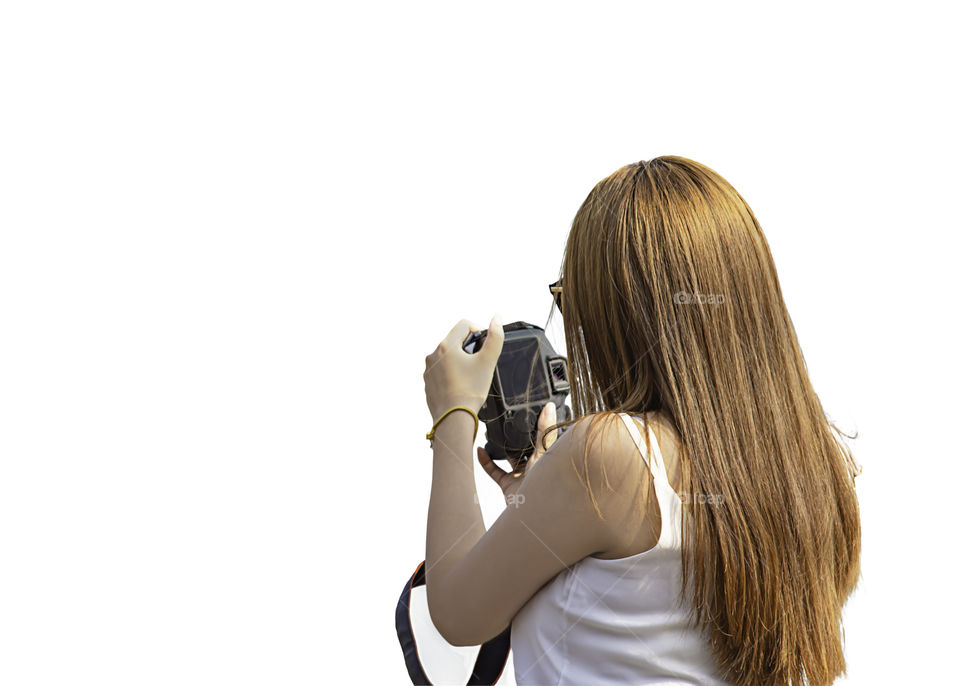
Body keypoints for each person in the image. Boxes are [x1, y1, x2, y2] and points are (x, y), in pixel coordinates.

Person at [421, 156, 861, 686]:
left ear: (619, 309)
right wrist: (540, 499)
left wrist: (452, 417)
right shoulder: (818, 462)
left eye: (571, 295)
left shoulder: (609, 454)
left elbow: (456, 613)